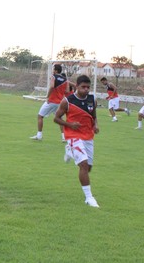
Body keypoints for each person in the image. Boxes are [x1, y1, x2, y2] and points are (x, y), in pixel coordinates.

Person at [54, 75, 100, 208]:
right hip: (73, 135)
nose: (86, 90)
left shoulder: (93, 99)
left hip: (88, 136)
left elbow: (94, 116)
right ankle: (89, 198)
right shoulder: (67, 101)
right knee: (84, 165)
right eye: (83, 87)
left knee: (88, 168)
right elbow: (56, 118)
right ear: (77, 86)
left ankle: (69, 151)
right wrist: (69, 125)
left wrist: (95, 125)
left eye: (88, 87)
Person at [30, 64, 70, 141]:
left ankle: (39, 135)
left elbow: (52, 86)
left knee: (40, 116)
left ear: (56, 70)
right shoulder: (65, 79)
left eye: (53, 69)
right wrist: (60, 92)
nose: (52, 71)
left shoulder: (54, 77)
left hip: (51, 101)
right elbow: (67, 91)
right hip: (59, 102)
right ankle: (64, 137)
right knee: (59, 118)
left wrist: (47, 96)